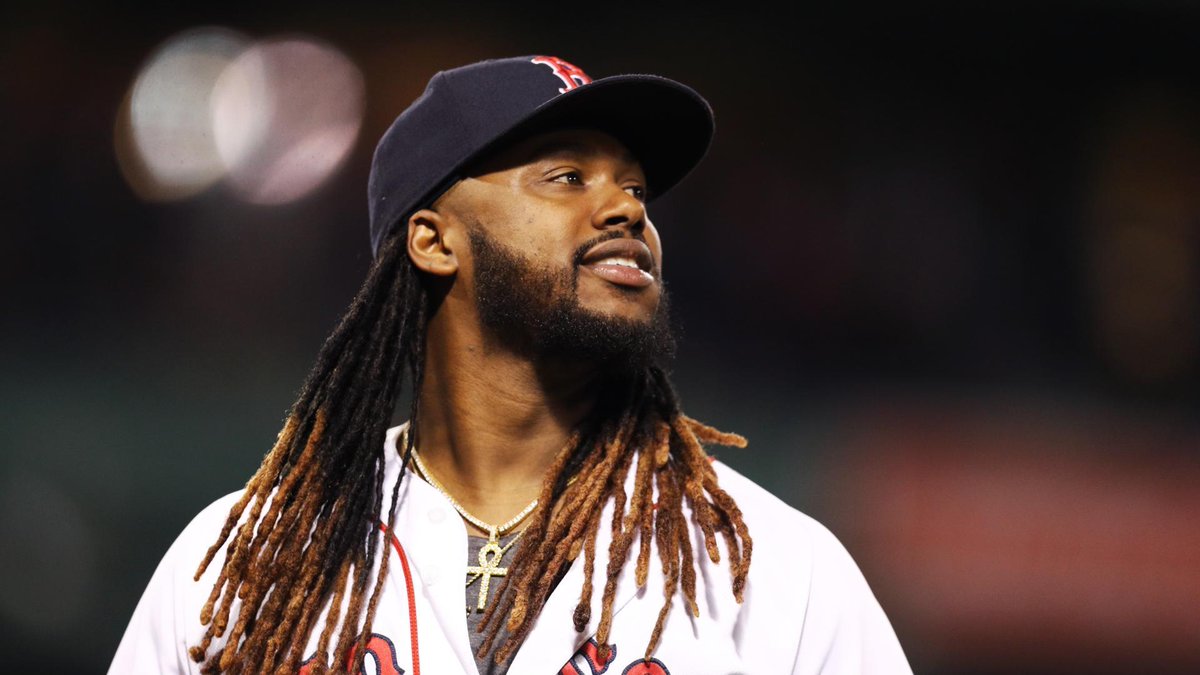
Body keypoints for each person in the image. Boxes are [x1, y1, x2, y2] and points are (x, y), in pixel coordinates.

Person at [109, 55, 911, 675]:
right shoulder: (246, 564)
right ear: (434, 240)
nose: (626, 208)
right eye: (567, 177)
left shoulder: (767, 567)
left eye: (637, 187)